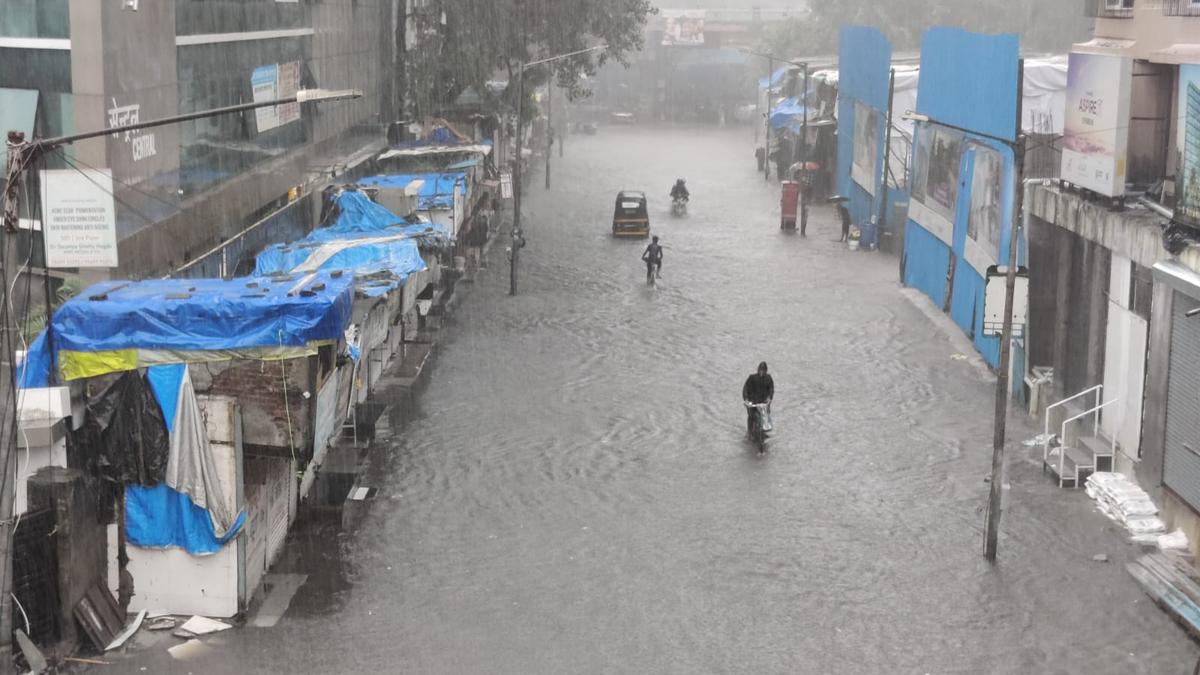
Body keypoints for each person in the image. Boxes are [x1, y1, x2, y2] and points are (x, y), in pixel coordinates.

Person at [742, 362, 774, 437]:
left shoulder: (768, 378)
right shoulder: (752, 378)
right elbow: (745, 389)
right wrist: (746, 399)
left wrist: (769, 398)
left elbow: (771, 389)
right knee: (751, 416)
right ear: (758, 370)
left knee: (766, 416)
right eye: (760, 370)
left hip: (763, 402)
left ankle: (763, 431)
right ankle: (750, 432)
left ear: (766, 371)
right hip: (753, 401)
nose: (761, 372)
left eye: (763, 370)